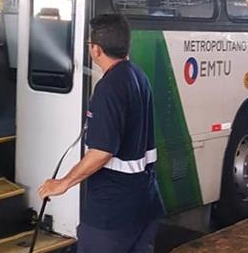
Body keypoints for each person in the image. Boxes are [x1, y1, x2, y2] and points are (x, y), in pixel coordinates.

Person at [37, 14, 163, 253]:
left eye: (89, 44)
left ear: (96, 50)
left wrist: (63, 183)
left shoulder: (109, 88)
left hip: (113, 212)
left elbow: (102, 151)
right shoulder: (138, 76)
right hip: (145, 201)